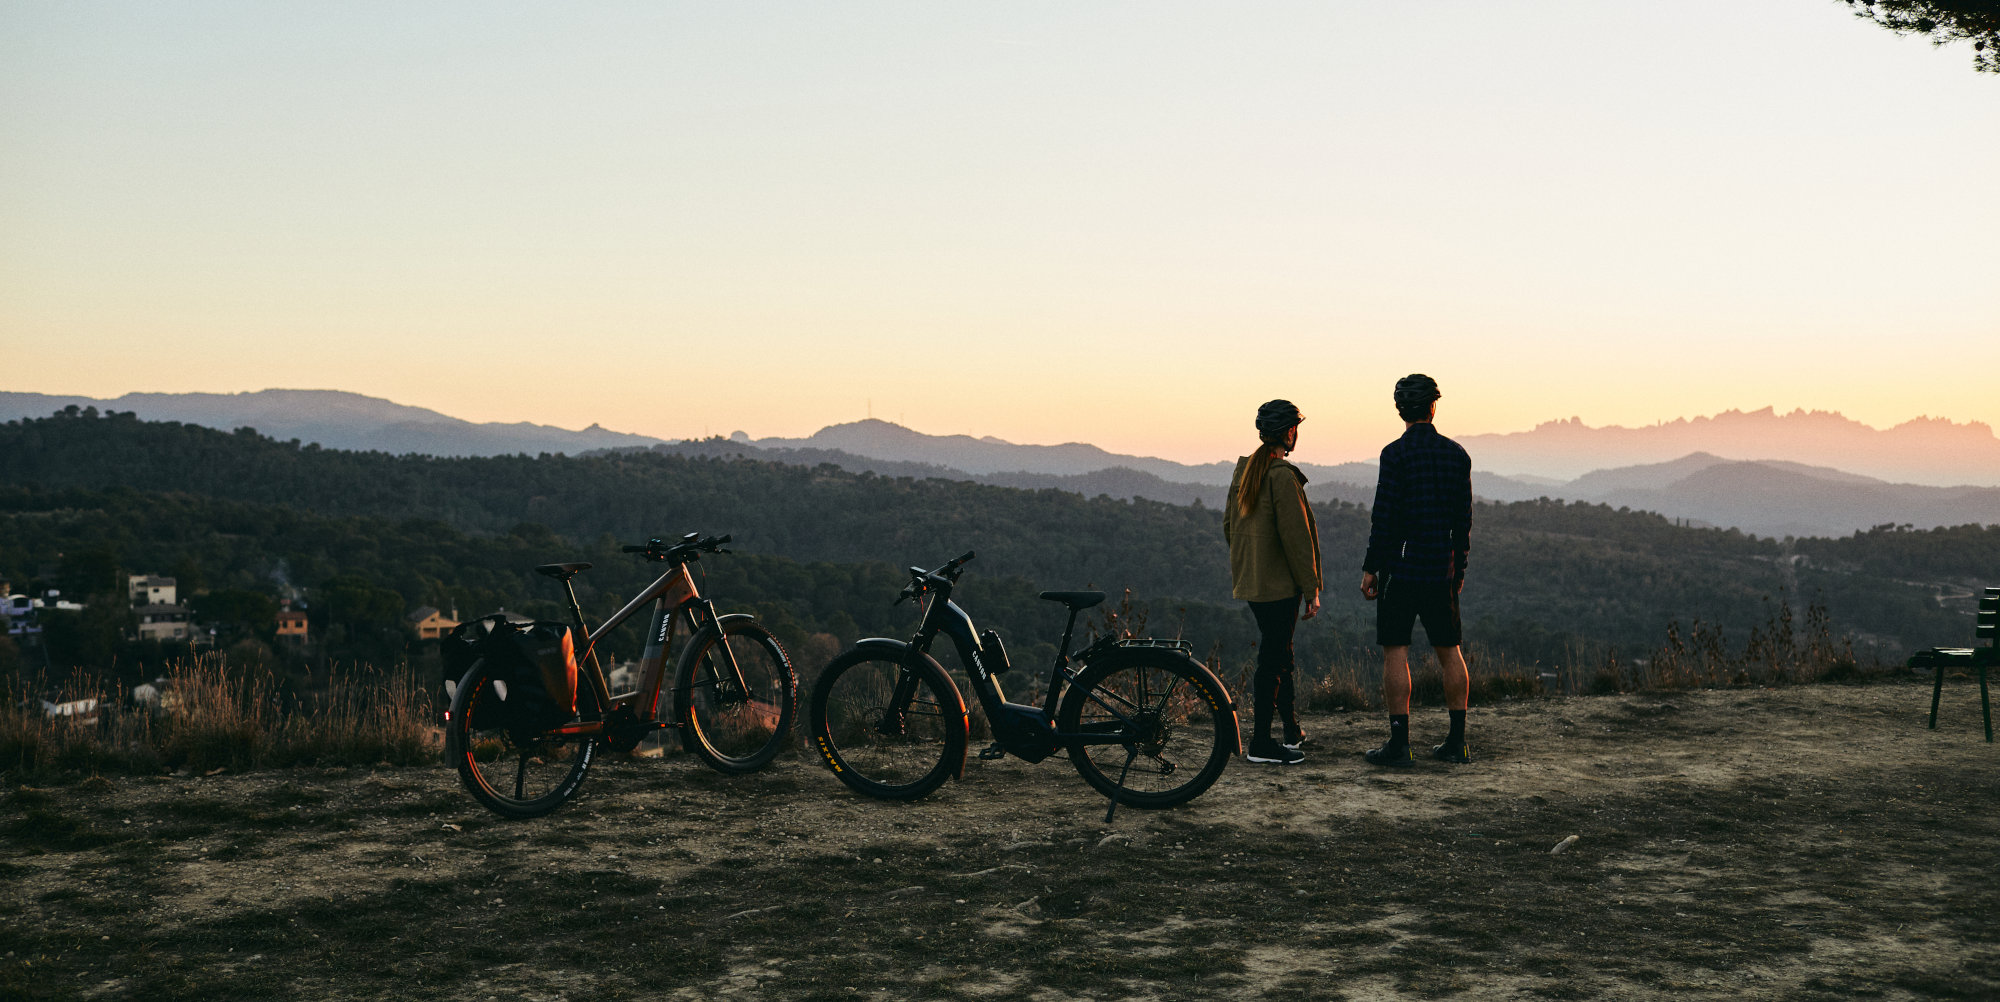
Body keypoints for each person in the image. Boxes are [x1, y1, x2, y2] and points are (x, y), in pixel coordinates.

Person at [1359, 374, 1473, 766]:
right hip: (1441, 569)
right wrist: (1458, 570)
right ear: (1433, 407)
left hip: (1401, 571)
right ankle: (1457, 742)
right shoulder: (1457, 455)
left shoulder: (1394, 455)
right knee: (1450, 652)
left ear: (1400, 410)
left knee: (1396, 651)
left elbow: (1384, 516)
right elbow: (1463, 521)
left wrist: (1372, 567)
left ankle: (1399, 744)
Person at [1223, 399, 1322, 765]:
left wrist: (1251, 562)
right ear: (1289, 432)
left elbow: (1228, 527)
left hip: (1253, 583)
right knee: (1274, 658)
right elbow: (1298, 540)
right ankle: (1261, 743)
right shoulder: (1281, 476)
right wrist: (1311, 588)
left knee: (1281, 652)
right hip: (1280, 587)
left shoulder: (1246, 471)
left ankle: (1291, 730)